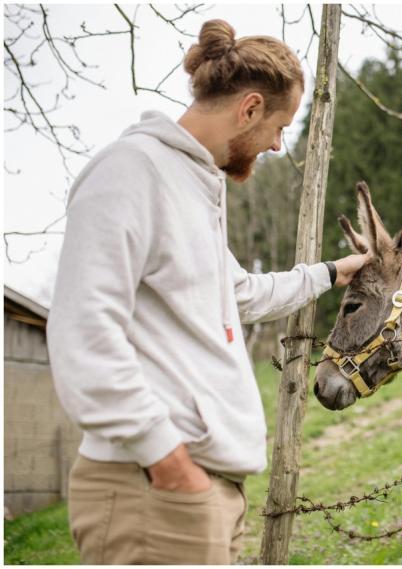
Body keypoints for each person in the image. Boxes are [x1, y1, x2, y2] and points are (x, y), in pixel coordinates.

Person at [46, 19, 366, 564]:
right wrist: (167, 461)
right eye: (278, 127)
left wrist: (330, 273)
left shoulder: (193, 185)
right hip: (153, 488)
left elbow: (238, 293)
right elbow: (82, 329)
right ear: (249, 109)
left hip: (203, 490)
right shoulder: (131, 171)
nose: (275, 144)